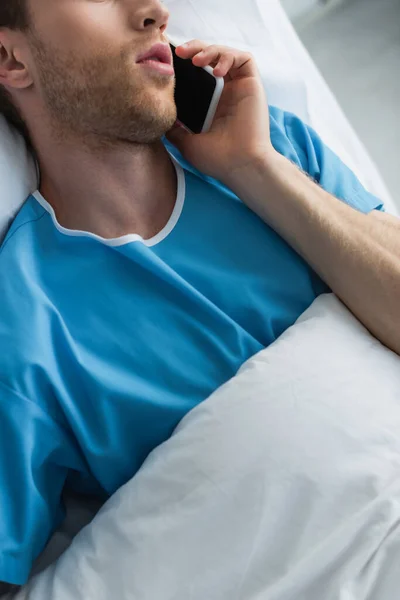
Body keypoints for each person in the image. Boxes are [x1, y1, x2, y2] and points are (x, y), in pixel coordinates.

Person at [0, 0, 399, 593]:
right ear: (11, 59)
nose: (153, 10)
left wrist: (254, 167)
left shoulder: (277, 150)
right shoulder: (27, 324)